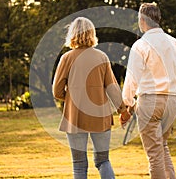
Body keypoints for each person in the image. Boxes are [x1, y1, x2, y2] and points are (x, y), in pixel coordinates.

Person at [52, 17, 130, 179]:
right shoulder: (101, 57)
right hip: (100, 116)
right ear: (92, 33)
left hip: (75, 116)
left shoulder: (66, 58)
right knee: (103, 160)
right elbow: (112, 88)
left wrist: (72, 97)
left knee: (79, 165)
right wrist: (123, 111)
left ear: (72, 34)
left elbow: (57, 91)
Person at [121, 3, 176, 179]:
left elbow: (132, 78)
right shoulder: (175, 43)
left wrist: (128, 103)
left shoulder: (141, 45)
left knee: (154, 155)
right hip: (172, 100)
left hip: (150, 100)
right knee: (162, 146)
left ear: (142, 20)